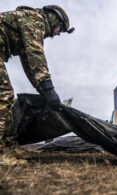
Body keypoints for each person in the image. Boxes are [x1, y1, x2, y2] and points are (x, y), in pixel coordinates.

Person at [0, 5, 74, 159]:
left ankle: (8, 146)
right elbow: (35, 53)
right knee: (4, 94)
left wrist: (43, 90)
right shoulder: (34, 19)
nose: (58, 33)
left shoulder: (29, 22)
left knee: (4, 94)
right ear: (54, 18)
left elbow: (29, 64)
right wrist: (48, 88)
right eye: (60, 28)